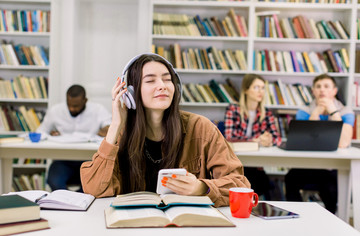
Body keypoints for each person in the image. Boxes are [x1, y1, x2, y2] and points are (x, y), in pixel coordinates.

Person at [80, 53, 250, 207]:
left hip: (185, 225)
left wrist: (202, 187)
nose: (162, 86)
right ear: (129, 93)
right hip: (134, 225)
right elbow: (94, 189)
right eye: (150, 80)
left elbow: (240, 184)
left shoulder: (201, 128)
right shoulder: (121, 133)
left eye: (167, 79)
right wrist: (116, 124)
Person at [285, 74, 355, 214]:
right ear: (313, 91)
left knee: (331, 187)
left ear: (334, 91)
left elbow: (343, 142)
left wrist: (333, 112)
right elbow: (306, 142)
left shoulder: (346, 112)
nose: (322, 90)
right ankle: (298, 216)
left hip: (331, 168)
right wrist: (315, 113)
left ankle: (331, 221)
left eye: (326, 86)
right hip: (307, 166)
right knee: (290, 178)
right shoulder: (304, 112)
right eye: (318, 86)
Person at [37, 85, 111, 191]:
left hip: (90, 161)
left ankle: (78, 202)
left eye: (76, 106)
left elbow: (111, 129)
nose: (72, 108)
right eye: (69, 105)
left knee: (92, 185)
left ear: (85, 101)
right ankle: (65, 203)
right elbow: (40, 132)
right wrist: (49, 134)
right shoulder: (56, 111)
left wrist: (104, 130)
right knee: (54, 181)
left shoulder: (98, 110)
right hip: (63, 161)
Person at [224, 74, 282, 200]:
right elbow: (229, 136)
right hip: (237, 165)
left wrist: (268, 140)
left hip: (256, 165)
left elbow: (278, 138)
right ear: (246, 90)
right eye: (256, 87)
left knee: (262, 182)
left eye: (262, 88)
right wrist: (255, 141)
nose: (260, 91)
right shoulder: (233, 109)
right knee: (246, 181)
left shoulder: (266, 113)